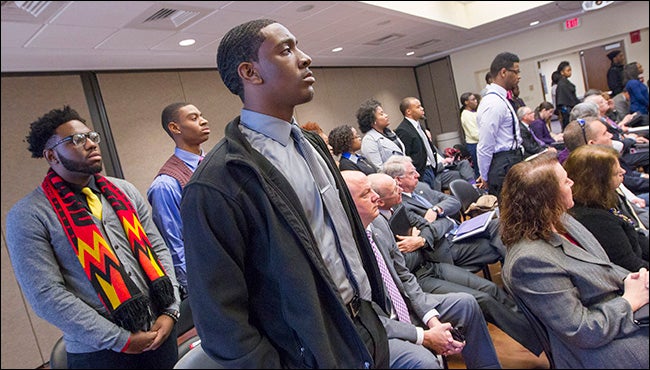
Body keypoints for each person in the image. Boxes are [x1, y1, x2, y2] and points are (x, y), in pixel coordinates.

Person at [180, 19, 390, 368]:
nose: (305, 58)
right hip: (307, 352)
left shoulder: (313, 147)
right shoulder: (217, 182)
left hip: (364, 326)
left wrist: (373, 313)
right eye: (287, 50)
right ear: (250, 72)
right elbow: (220, 319)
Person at [6, 106, 181, 369]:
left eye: (92, 137)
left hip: (160, 335)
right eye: (76, 140)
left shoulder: (124, 191)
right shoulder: (29, 214)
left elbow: (158, 249)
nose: (90, 144)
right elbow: (46, 295)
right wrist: (120, 339)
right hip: (100, 354)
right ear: (51, 155)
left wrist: (171, 310)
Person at [499, 151, 649, 369]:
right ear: (547, 196)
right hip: (602, 349)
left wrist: (636, 280)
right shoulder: (529, 261)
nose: (572, 182)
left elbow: (604, 269)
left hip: (619, 316)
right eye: (565, 180)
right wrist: (630, 301)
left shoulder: (563, 220)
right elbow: (582, 331)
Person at [367, 172, 543, 355]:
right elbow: (401, 268)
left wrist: (419, 241)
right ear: (379, 201)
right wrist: (419, 244)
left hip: (433, 266)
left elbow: (428, 227)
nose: (400, 190)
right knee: (483, 300)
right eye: (395, 190)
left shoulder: (399, 208)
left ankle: (540, 333)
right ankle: (541, 345)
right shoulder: (377, 227)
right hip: (418, 281)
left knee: (491, 289)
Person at [341, 170, 502, 369]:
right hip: (379, 324)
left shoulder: (379, 224)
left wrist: (432, 319)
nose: (375, 197)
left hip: (406, 302)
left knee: (467, 303)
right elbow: (366, 318)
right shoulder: (342, 248)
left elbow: (404, 276)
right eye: (365, 194)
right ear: (344, 203)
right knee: (424, 362)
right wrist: (423, 336)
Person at [381, 155, 505, 269]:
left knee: (499, 224)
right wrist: (443, 220)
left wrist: (436, 210)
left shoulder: (421, 187)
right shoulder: (400, 205)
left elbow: (454, 201)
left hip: (459, 229)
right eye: (412, 173)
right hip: (445, 245)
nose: (418, 175)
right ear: (398, 180)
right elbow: (429, 228)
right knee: (500, 245)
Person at [147, 102, 209, 300]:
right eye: (194, 118)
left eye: (201, 115)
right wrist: (196, 291)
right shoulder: (165, 185)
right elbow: (173, 245)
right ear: (175, 128)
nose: (204, 120)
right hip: (206, 278)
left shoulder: (215, 163)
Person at [563, 145, 649, 271]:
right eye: (616, 172)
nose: (623, 171)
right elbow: (629, 264)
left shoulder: (602, 197)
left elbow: (637, 238)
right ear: (598, 181)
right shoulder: (595, 219)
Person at [396, 96, 475, 191]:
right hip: (422, 171)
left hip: (432, 168)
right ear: (408, 111)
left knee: (461, 172)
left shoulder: (418, 125)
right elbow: (407, 155)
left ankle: (474, 188)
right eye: (418, 107)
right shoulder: (403, 130)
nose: (422, 108)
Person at [477, 52, 524, 197]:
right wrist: (484, 176)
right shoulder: (493, 103)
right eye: (516, 71)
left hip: (511, 159)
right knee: (511, 213)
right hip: (503, 165)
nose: (519, 76)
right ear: (503, 72)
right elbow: (485, 145)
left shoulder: (501, 98)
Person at [357, 97, 405, 169]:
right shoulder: (369, 140)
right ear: (373, 121)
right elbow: (378, 168)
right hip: (391, 178)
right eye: (381, 114)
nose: (386, 115)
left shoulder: (389, 132)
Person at [459, 92, 480, 179]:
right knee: (480, 170)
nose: (476, 101)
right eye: (473, 100)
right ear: (466, 102)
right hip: (475, 144)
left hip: (479, 143)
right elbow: (474, 133)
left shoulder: (473, 113)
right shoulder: (466, 115)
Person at [555, 61, 581, 130]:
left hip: (570, 109)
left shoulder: (565, 82)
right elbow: (563, 100)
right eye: (568, 70)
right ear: (562, 72)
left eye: (570, 70)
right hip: (567, 111)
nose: (570, 72)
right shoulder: (562, 84)